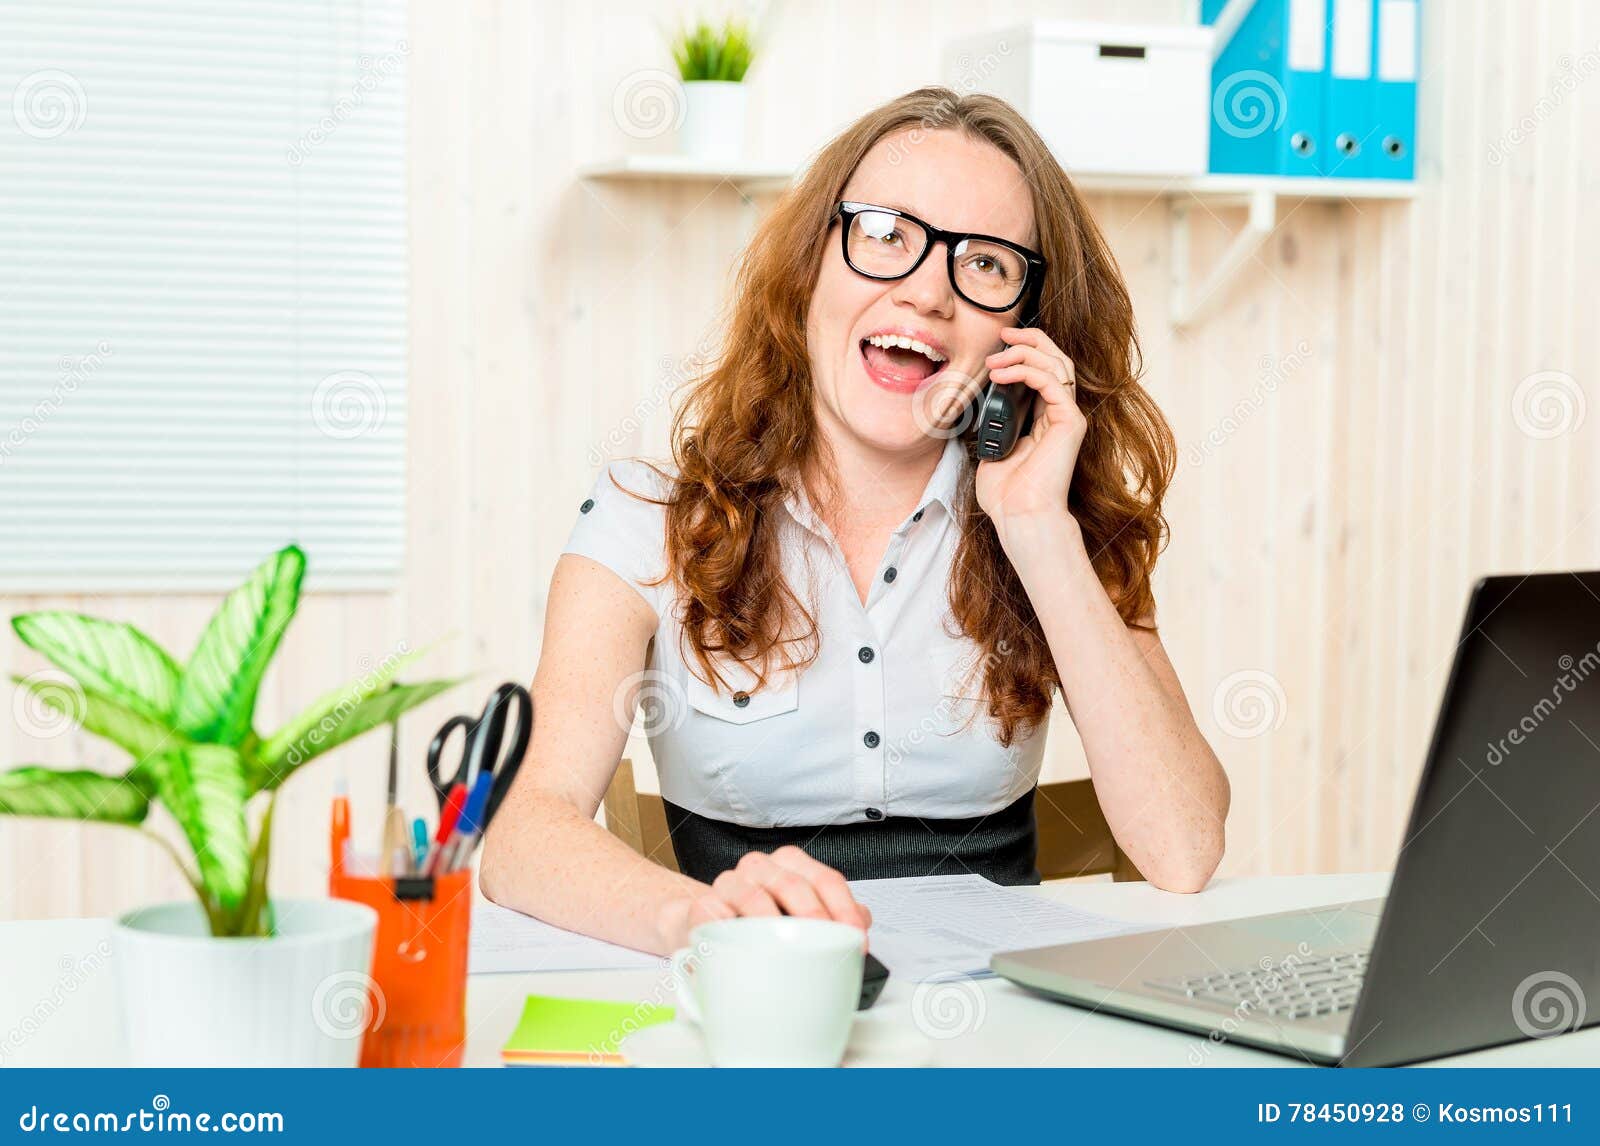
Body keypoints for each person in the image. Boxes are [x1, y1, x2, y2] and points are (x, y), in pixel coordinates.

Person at [481, 86, 1230, 955]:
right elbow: (523, 833)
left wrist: (1037, 530)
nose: (927, 293)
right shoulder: (644, 520)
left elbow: (1184, 850)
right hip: (759, 1022)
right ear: (811, 267)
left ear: (1024, 332)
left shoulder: (1057, 524)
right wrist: (702, 921)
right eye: (886, 234)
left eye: (985, 263)